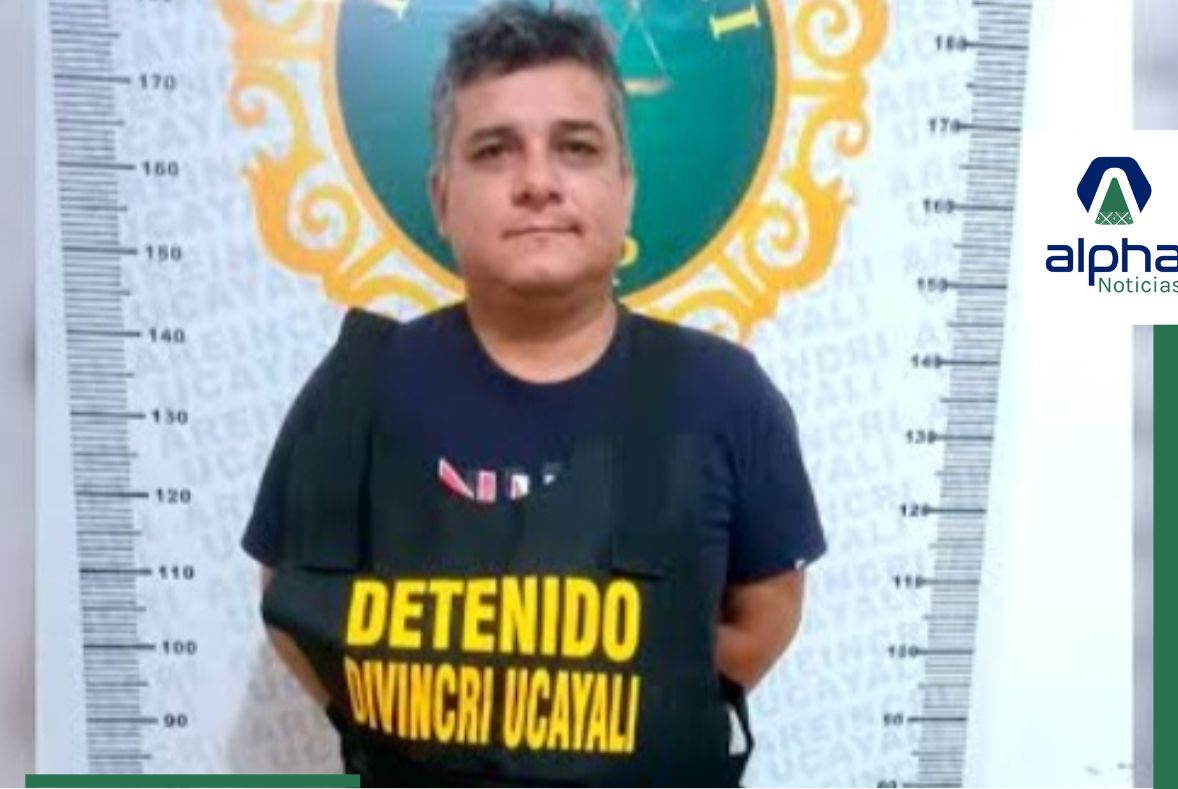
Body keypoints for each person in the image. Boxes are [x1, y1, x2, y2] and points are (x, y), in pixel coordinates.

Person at [242, 3, 825, 785]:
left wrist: (623, 707)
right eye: (494, 151)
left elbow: (768, 611)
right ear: (442, 196)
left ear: (625, 188)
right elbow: (291, 598)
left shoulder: (721, 395)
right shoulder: (356, 392)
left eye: (576, 148)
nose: (539, 183)